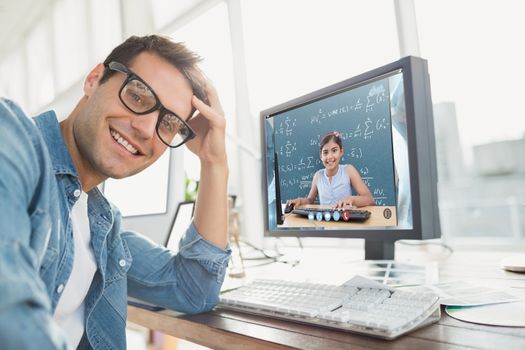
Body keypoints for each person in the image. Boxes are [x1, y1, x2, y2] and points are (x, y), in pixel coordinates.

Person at [0, 35, 230, 349]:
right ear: (94, 80)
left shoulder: (104, 226)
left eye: (169, 124)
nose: (147, 129)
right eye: (137, 96)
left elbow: (194, 289)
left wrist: (214, 161)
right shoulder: (11, 139)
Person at [287, 131, 374, 208]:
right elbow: (310, 200)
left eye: (334, 150)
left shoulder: (349, 170)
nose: (329, 157)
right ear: (321, 156)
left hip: (346, 222)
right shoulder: (318, 176)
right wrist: (300, 201)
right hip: (326, 223)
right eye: (325, 152)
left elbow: (369, 199)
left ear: (341, 152)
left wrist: (352, 199)